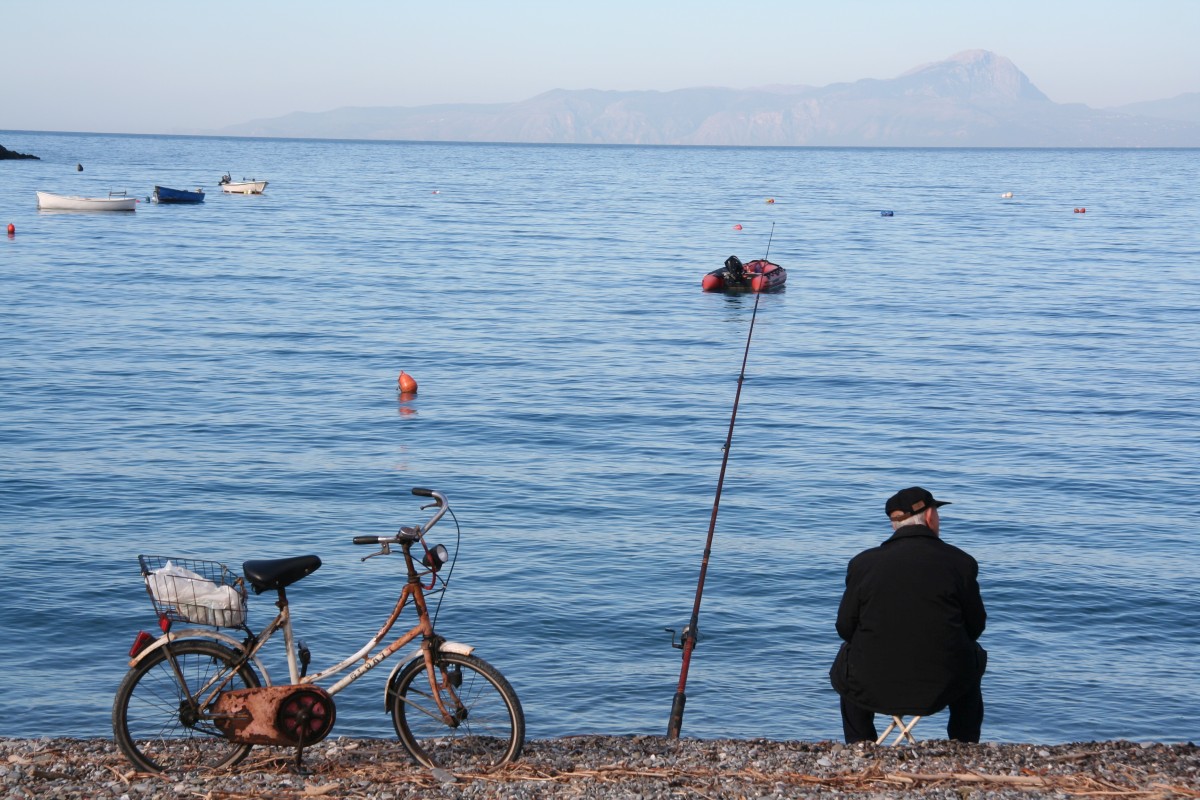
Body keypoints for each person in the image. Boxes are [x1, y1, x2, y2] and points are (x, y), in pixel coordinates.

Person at [830, 486, 987, 743]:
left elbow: (845, 628)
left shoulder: (863, 564)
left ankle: (859, 745)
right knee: (973, 656)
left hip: (872, 685)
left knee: (846, 663)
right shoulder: (961, 563)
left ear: (895, 524)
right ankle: (965, 743)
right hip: (944, 684)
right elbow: (975, 627)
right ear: (928, 517)